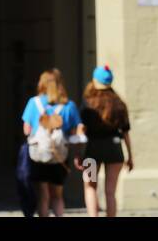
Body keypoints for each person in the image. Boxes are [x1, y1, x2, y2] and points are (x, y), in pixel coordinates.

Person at [21, 68, 84, 217]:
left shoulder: (33, 102)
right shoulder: (69, 106)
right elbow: (76, 133)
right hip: (59, 156)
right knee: (57, 195)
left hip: (38, 156)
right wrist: (77, 154)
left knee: (43, 195)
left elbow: (26, 130)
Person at [78, 65, 132, 217]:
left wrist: (79, 153)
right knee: (110, 192)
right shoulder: (119, 104)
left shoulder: (88, 103)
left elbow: (81, 130)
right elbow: (126, 133)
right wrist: (130, 156)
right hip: (114, 149)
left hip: (92, 149)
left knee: (90, 187)